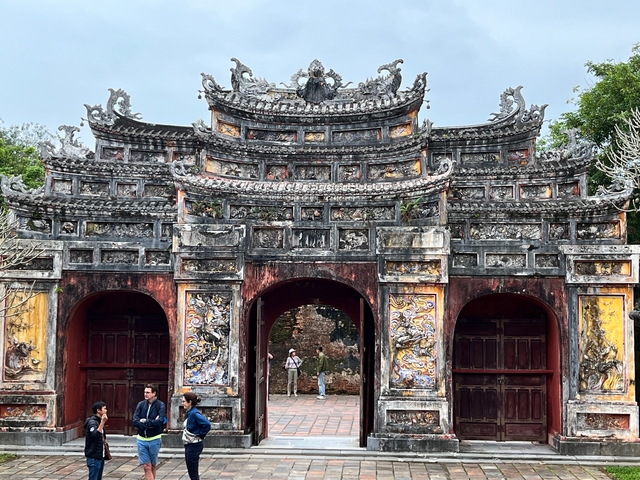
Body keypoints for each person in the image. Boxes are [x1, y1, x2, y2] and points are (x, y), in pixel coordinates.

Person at [133, 384, 166, 480]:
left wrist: (145, 421)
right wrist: (149, 424)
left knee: (152, 464)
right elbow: (135, 421)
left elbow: (160, 421)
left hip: (154, 438)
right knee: (146, 465)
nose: (145, 394)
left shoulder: (160, 405)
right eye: (145, 392)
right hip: (141, 438)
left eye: (148, 392)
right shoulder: (141, 404)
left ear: (154, 393)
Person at [182, 392, 211, 480]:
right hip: (189, 444)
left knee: (193, 473)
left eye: (184, 401)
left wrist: (201, 434)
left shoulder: (194, 413)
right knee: (191, 471)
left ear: (190, 402)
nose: (182, 403)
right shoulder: (190, 413)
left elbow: (207, 424)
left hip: (194, 444)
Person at [84, 401, 108, 480]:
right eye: (104, 409)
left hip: (100, 456)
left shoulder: (98, 421)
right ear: (98, 410)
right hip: (94, 456)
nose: (106, 410)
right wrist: (103, 422)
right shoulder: (92, 422)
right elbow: (95, 435)